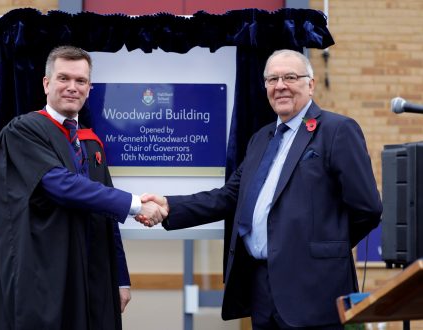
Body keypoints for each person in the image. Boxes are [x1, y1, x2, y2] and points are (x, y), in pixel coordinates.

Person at [140, 49, 383, 329]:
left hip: (314, 289)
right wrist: (170, 206)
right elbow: (229, 195)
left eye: (290, 77)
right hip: (262, 289)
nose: (280, 86)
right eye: (272, 79)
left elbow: (368, 209)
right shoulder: (261, 138)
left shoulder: (337, 130)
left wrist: (322, 249)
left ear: (311, 84)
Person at [0, 45, 167, 330]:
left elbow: (105, 213)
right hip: (43, 275)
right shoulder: (23, 132)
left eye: (80, 81)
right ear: (46, 83)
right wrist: (136, 205)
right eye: (63, 78)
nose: (72, 87)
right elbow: (61, 185)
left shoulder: (89, 143)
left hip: (90, 275)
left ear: (89, 88)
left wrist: (119, 278)